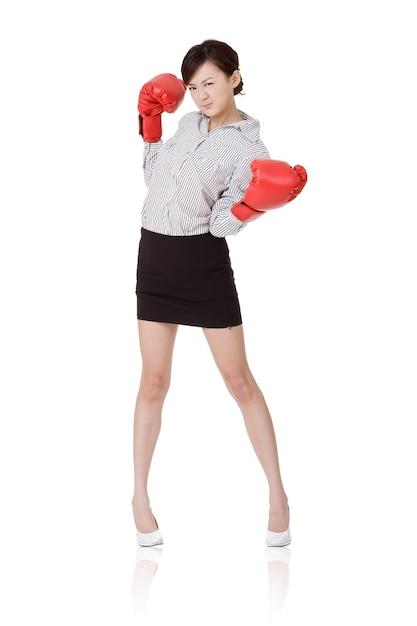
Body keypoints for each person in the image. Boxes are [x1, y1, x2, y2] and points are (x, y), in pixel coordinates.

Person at [132, 39, 307, 548]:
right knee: (152, 383)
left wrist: (253, 206)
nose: (200, 95)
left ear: (234, 77)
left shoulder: (250, 150)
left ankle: (278, 495)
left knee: (239, 383)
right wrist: (151, 128)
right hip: (155, 257)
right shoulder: (187, 124)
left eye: (209, 82)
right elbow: (152, 180)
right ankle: (139, 497)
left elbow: (220, 223)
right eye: (192, 87)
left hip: (201, 265)